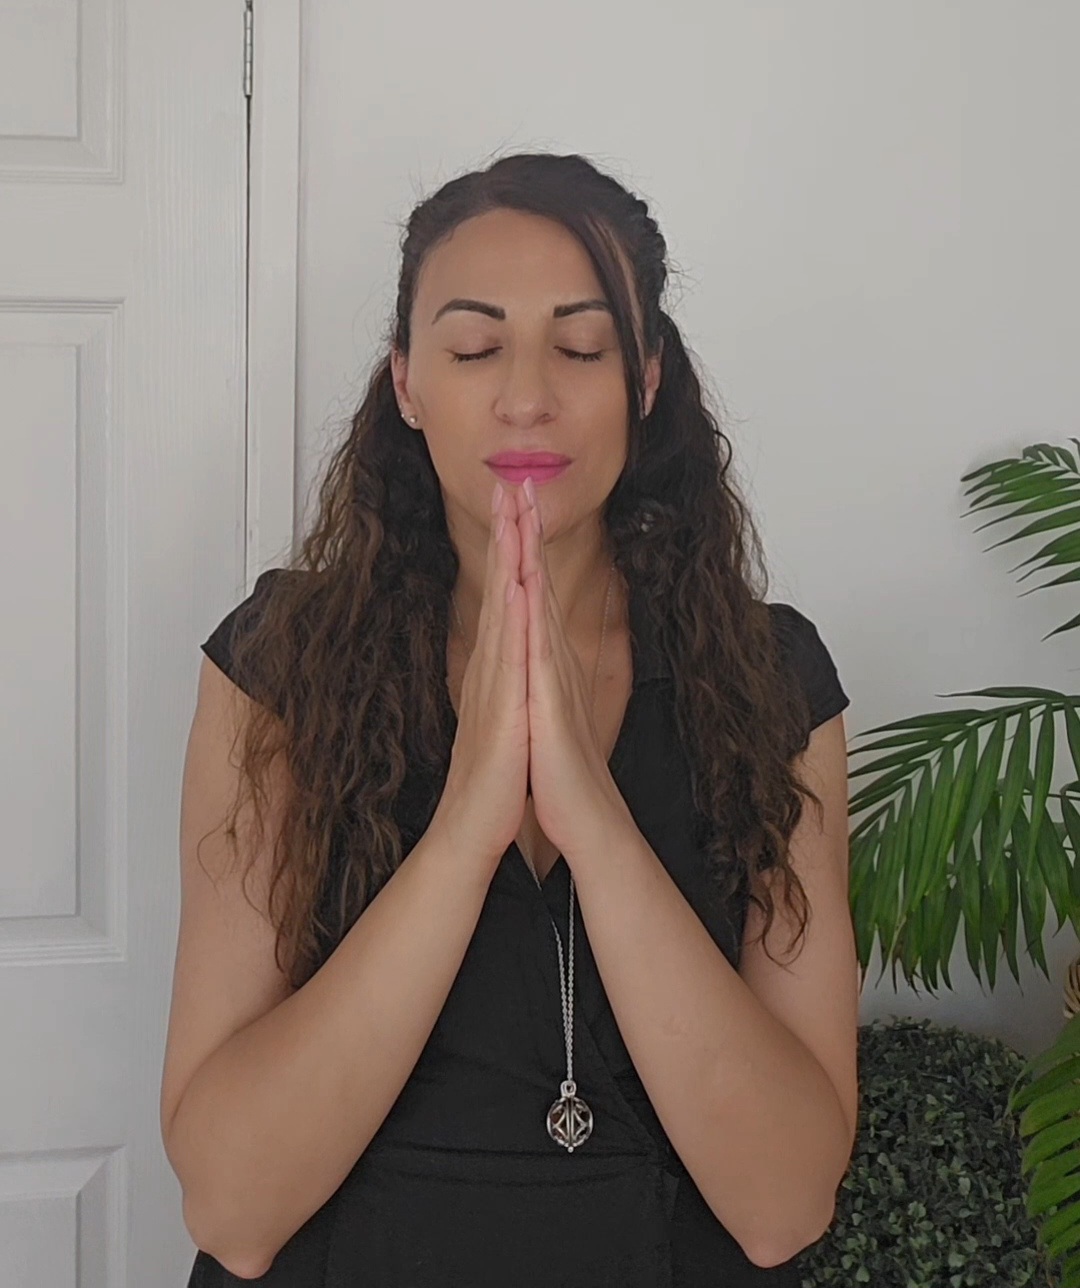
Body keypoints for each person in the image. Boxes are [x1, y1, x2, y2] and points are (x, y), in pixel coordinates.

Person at [161, 150, 859, 1287]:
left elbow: (784, 1205)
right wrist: (468, 824)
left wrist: (591, 811)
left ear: (645, 380)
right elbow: (232, 1208)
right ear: (406, 384)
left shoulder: (768, 682)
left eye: (581, 348)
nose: (527, 394)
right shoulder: (280, 667)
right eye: (475, 348)